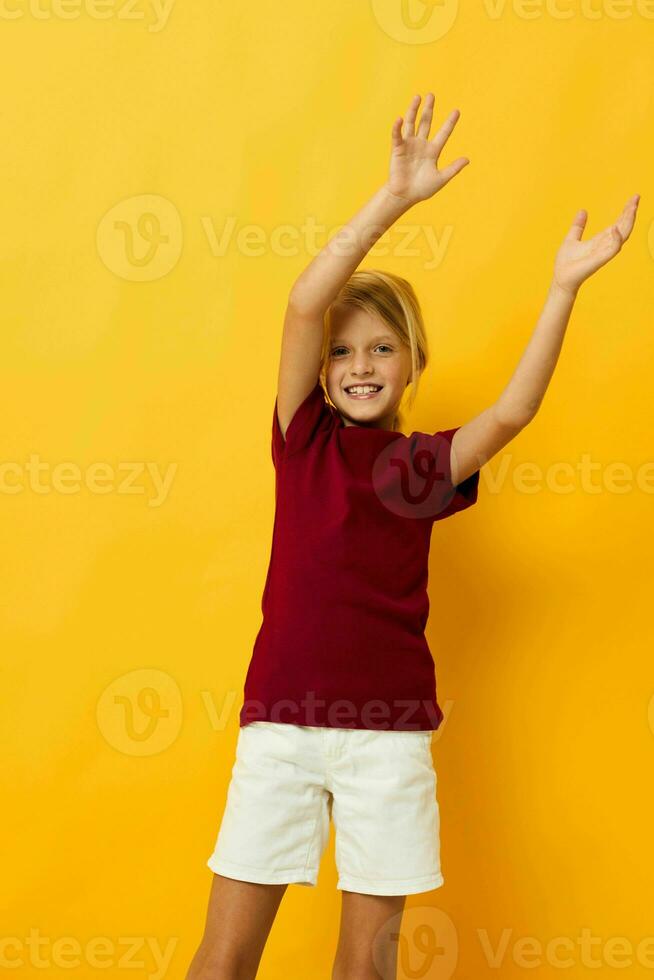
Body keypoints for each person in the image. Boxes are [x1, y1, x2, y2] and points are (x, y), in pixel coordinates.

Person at [185, 92, 639, 980]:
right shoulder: (302, 436)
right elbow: (305, 298)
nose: (360, 366)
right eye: (345, 353)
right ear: (322, 371)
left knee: (370, 962)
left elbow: (513, 410)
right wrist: (394, 201)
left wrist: (561, 289)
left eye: (382, 349)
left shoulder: (421, 466)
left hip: (387, 739)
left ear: (413, 362)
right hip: (280, 725)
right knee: (226, 954)